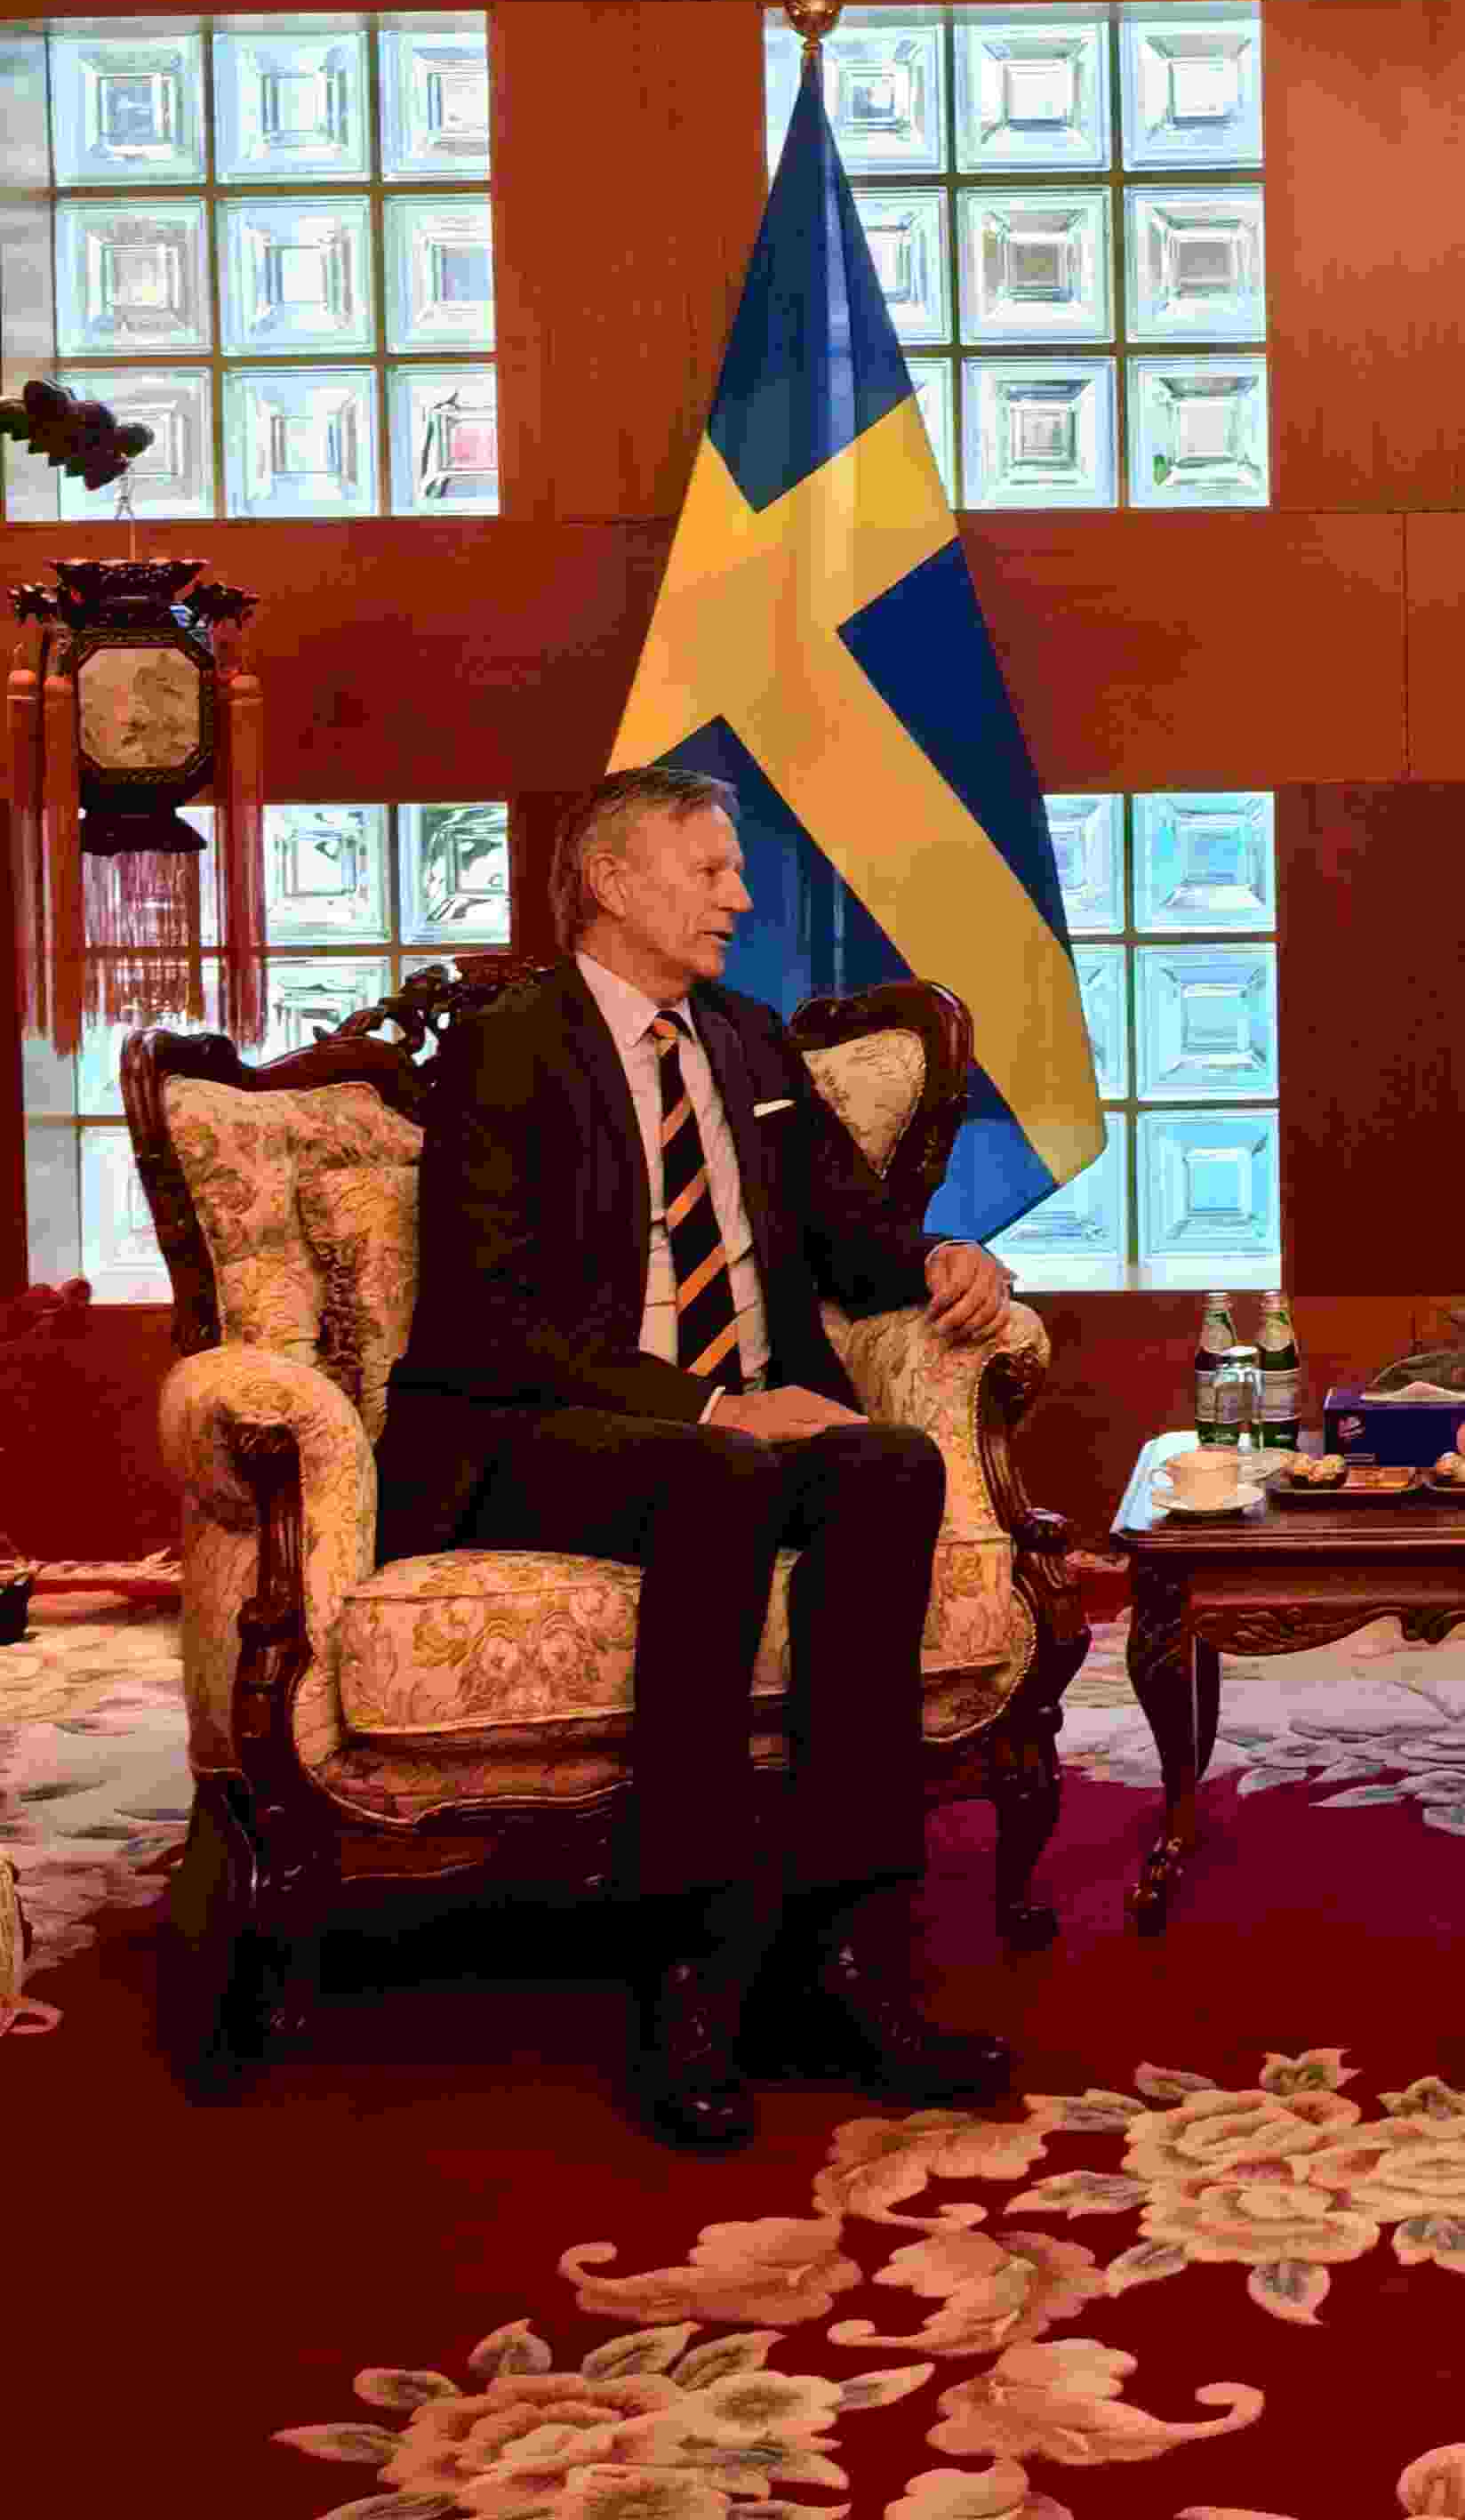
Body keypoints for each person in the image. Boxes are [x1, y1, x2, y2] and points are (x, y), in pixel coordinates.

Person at [380, 760, 1022, 2154]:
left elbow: (852, 1238)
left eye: (735, 873)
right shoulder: (506, 1046)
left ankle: (848, 1956)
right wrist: (714, 1408)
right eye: (711, 869)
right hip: (532, 1432)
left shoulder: (745, 1042)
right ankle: (690, 1974)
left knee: (890, 1467)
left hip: (732, 1435)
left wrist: (948, 1258)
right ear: (611, 880)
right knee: (727, 1475)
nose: (739, 897)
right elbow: (492, 1319)